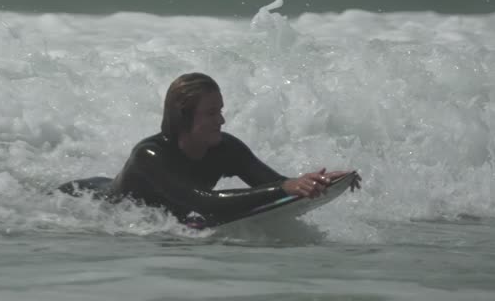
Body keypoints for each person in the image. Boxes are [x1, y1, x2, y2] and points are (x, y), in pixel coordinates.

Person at [57, 73, 357, 226]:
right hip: (86, 200)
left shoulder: (225, 148)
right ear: (184, 117)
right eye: (211, 113)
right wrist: (288, 187)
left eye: (221, 111)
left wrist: (318, 182)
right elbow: (205, 202)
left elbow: (272, 184)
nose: (222, 120)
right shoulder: (149, 156)